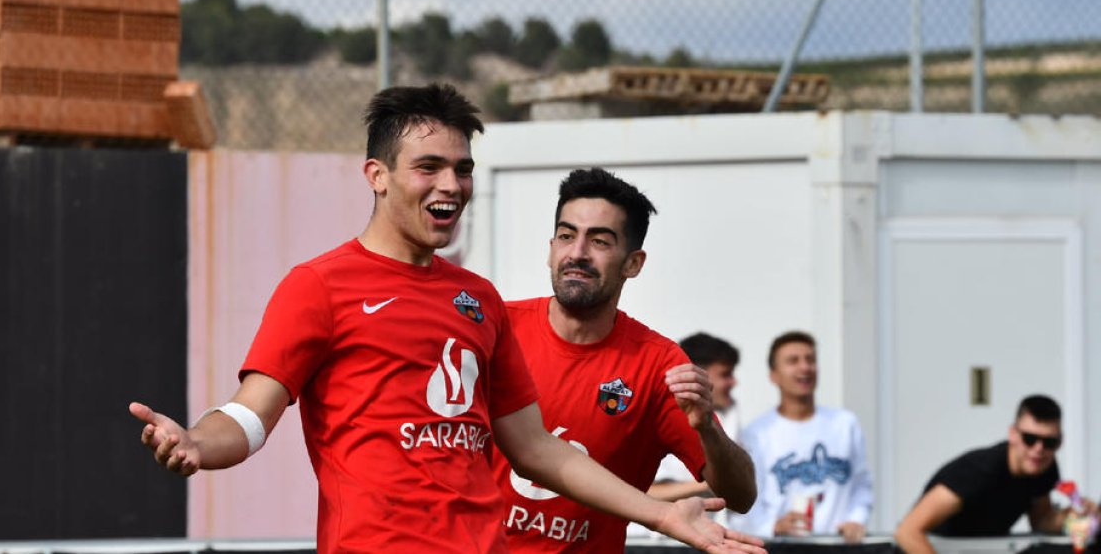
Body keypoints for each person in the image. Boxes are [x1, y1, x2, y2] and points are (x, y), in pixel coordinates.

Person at [128, 85, 766, 554]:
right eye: (429, 167)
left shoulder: (478, 299)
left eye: (463, 168)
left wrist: (660, 517)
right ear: (377, 176)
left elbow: (538, 448)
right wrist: (197, 444)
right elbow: (251, 413)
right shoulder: (319, 284)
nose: (452, 184)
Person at [493, 167, 757, 553]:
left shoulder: (658, 364)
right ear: (551, 249)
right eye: (567, 236)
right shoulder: (496, 328)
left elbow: (742, 495)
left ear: (633, 263)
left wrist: (707, 430)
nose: (577, 253)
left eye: (599, 241)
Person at [894, 395, 1099, 554]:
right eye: (1030, 438)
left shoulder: (1044, 466)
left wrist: (1073, 518)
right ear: (1013, 434)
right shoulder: (978, 471)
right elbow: (907, 532)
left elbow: (1041, 520)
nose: (1038, 449)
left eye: (1050, 442)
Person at [728, 330, 873, 543]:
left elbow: (862, 483)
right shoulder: (757, 434)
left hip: (838, 546)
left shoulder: (845, 424)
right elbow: (744, 501)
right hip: (781, 548)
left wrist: (856, 519)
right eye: (793, 361)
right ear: (774, 375)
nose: (804, 367)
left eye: (810, 359)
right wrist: (772, 526)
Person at [648, 332, 745, 503]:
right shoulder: (656, 416)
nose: (734, 382)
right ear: (696, 374)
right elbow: (644, 493)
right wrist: (718, 483)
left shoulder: (730, 413)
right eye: (725, 374)